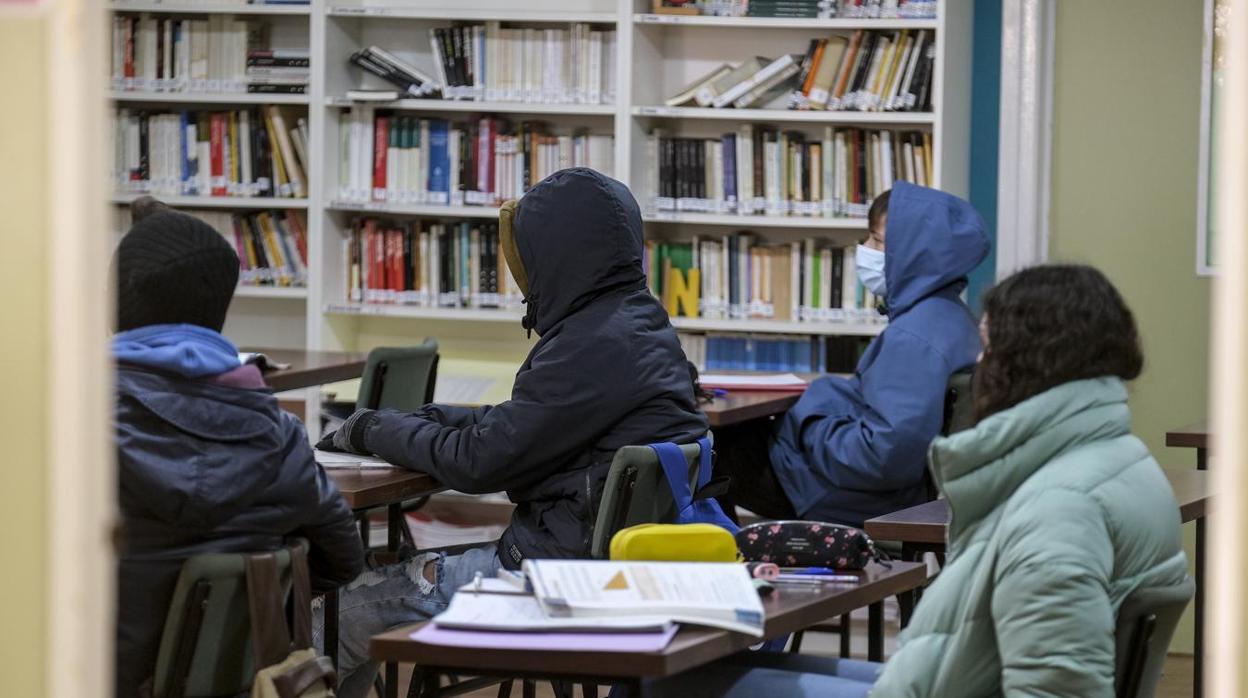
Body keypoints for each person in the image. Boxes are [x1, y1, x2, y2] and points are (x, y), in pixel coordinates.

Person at [653, 264, 1188, 697]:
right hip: (945, 679)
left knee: (670, 684)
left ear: (1027, 361)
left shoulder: (1060, 510)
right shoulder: (1122, 462)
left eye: (988, 348)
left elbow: (1057, 687)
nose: (981, 366)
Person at [321, 168, 709, 697]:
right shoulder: (636, 324)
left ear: (556, 255)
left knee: (333, 613)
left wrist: (370, 429)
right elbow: (526, 422)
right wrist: (430, 418)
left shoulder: (589, 344)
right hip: (606, 565)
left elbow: (480, 463)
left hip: (551, 577)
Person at [113, 199, 364, 697]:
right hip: (239, 681)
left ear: (120, 299)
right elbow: (343, 559)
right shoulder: (280, 434)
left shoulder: (67, 434)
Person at [716, 181, 990, 526]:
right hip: (883, 487)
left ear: (914, 253)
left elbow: (881, 457)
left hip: (849, 494)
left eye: (876, 241)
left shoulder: (914, 337)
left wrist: (811, 416)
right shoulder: (951, 318)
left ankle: (713, 568)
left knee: (708, 450)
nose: (865, 249)